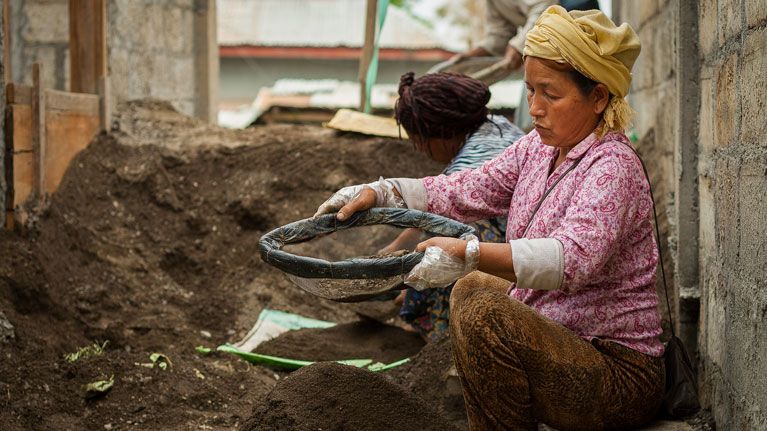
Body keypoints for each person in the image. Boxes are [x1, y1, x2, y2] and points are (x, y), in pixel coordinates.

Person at [315, 6, 664, 430]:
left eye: (550, 95)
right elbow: (466, 189)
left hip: (614, 372)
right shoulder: (538, 148)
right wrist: (382, 192)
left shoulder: (612, 165)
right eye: (530, 91)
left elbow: (570, 260)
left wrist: (469, 253)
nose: (534, 108)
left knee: (484, 309)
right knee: (473, 289)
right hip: (562, 343)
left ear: (598, 97)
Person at [386, 71, 525, 340]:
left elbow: (439, 218)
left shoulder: (470, 164)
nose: (419, 149)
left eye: (418, 140)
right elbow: (429, 207)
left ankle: (446, 333)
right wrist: (393, 250)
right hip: (527, 243)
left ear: (438, 134)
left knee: (447, 245)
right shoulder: (497, 125)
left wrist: (411, 285)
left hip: (520, 258)